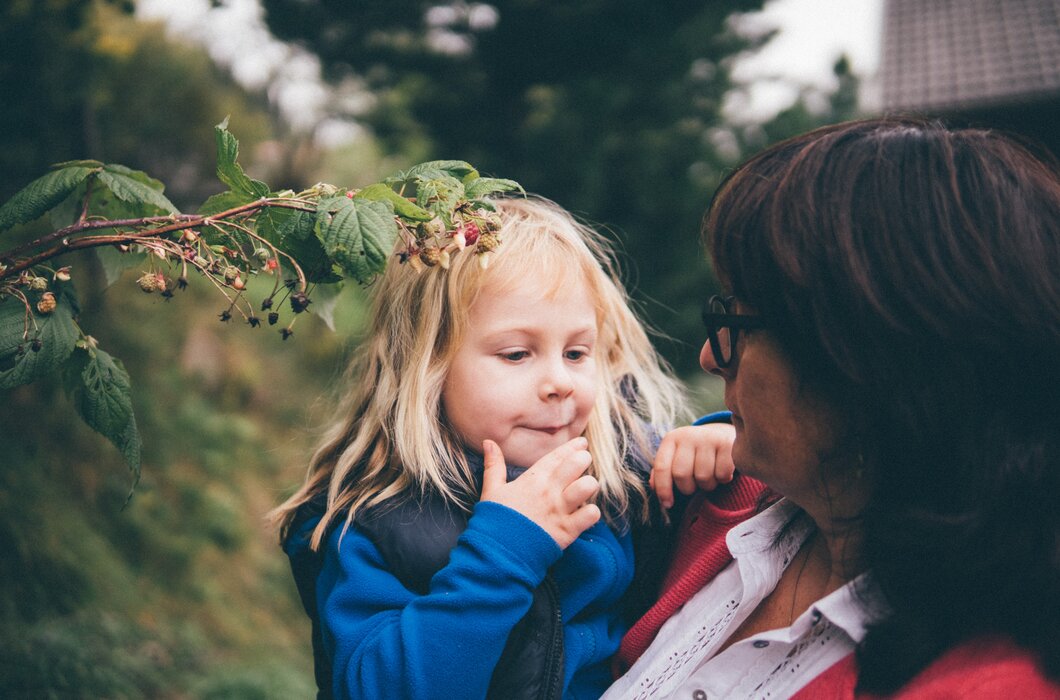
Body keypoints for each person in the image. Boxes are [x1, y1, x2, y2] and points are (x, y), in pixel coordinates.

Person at [605, 117, 1060, 698]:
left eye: (736, 323)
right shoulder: (718, 513)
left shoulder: (984, 682)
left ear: (862, 360)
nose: (711, 358)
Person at [270, 196, 737, 700]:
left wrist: (719, 439)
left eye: (577, 352)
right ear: (427, 365)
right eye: (517, 354)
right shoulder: (375, 518)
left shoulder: (617, 466)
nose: (559, 381)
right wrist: (501, 554)